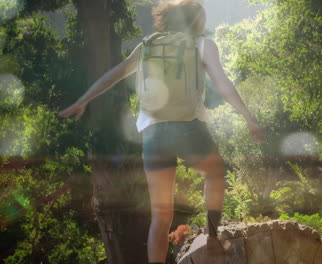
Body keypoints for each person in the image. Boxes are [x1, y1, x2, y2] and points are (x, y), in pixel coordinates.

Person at [59, 1, 265, 263]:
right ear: (197, 21)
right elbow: (222, 84)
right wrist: (249, 118)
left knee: (161, 215)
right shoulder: (202, 45)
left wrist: (83, 100)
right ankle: (213, 238)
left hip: (154, 134)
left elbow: (113, 75)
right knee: (214, 175)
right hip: (189, 128)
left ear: (165, 19)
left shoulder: (148, 46)